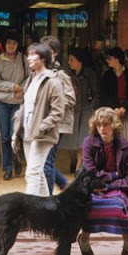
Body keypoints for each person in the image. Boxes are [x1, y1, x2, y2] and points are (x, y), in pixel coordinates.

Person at [77, 107, 128, 255]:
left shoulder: (125, 145)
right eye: (99, 125)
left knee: (126, 209)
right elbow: (91, 173)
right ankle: (84, 240)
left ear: (114, 125)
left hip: (120, 189)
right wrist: (116, 175)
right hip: (94, 189)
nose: (102, 128)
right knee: (89, 208)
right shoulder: (89, 143)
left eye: (106, 124)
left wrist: (112, 182)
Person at [12, 42, 65, 196]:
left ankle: (30, 210)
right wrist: (17, 130)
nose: (28, 58)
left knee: (32, 173)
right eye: (28, 55)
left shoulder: (53, 81)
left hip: (42, 135)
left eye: (32, 55)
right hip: (28, 132)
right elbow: (24, 107)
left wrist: (42, 127)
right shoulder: (31, 79)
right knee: (38, 173)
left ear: (43, 58)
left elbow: (58, 112)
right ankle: (45, 208)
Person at [40, 35, 75, 194]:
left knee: (46, 161)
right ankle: (64, 184)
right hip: (46, 122)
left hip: (58, 123)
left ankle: (48, 199)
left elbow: (70, 98)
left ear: (54, 53)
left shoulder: (61, 74)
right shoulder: (41, 72)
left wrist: (53, 106)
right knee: (45, 160)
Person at [0, 30, 26, 180]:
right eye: (9, 42)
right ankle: (7, 168)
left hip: (18, 102)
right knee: (5, 136)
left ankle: (16, 159)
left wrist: (22, 89)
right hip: (2, 102)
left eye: (14, 43)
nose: (11, 45)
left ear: (18, 44)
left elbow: (30, 78)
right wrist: (13, 87)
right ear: (4, 44)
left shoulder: (24, 60)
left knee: (15, 135)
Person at [60, 48, 100, 173]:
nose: (70, 62)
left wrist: (93, 107)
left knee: (83, 140)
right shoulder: (67, 75)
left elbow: (96, 93)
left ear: (80, 61)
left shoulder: (90, 75)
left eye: (72, 60)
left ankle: (79, 166)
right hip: (72, 111)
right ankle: (73, 161)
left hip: (86, 111)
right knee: (70, 141)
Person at [100, 47, 128, 150]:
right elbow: (104, 95)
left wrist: (124, 108)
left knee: (127, 145)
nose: (107, 60)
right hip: (112, 112)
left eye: (110, 58)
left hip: (127, 112)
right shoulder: (107, 75)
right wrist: (115, 108)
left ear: (117, 59)